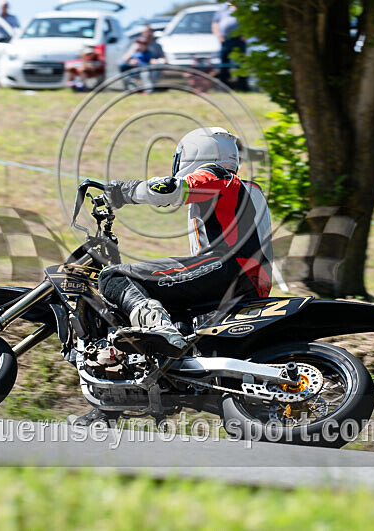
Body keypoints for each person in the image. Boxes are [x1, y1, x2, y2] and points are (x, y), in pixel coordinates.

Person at [71, 127, 273, 425]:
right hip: (242, 279)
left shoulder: (218, 176)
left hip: (229, 269)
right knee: (138, 314)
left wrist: (122, 191)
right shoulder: (243, 190)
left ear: (196, 152)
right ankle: (108, 407)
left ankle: (161, 330)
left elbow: (169, 188)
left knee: (114, 277)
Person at [212, 2, 248, 91]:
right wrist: (219, 36)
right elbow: (215, 23)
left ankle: (242, 87)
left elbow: (249, 21)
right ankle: (224, 87)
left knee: (241, 63)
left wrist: (246, 35)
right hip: (226, 40)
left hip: (239, 40)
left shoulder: (243, 7)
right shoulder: (222, 8)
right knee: (224, 64)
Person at [119, 26, 166, 91]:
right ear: (142, 33)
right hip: (135, 68)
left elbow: (161, 59)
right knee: (124, 69)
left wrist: (157, 61)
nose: (148, 34)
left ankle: (149, 89)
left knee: (145, 73)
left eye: (150, 32)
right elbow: (124, 59)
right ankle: (130, 89)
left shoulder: (156, 46)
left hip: (149, 67)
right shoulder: (136, 45)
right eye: (146, 32)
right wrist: (131, 57)